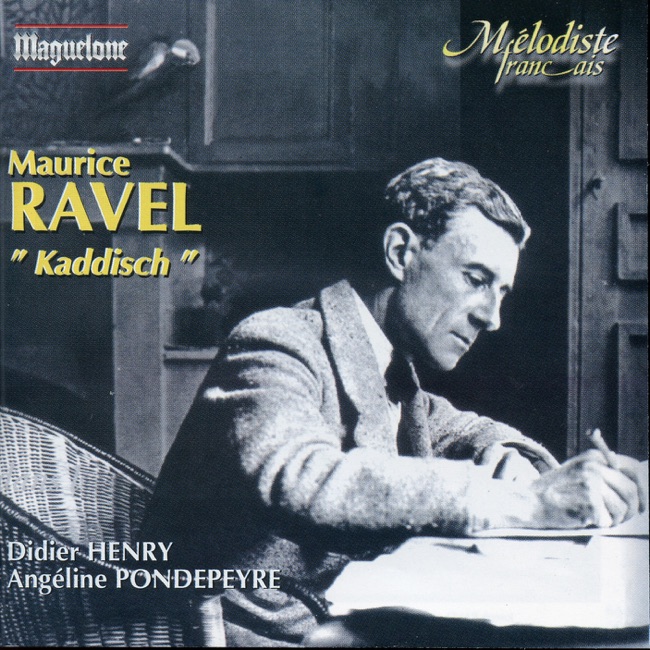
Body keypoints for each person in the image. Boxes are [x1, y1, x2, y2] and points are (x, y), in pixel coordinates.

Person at [141, 158, 646, 647]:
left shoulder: (390, 368)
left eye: (502, 292)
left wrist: (521, 462)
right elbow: (300, 477)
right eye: (476, 280)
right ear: (401, 252)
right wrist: (525, 503)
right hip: (240, 636)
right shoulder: (278, 339)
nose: (491, 318)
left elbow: (465, 429)